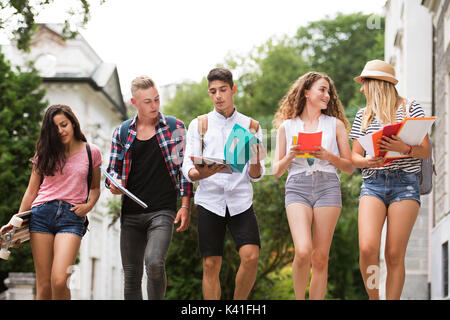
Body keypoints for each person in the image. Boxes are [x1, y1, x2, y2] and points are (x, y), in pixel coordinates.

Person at [349, 60, 431, 300]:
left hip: (404, 184)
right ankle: (374, 298)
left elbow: (425, 150)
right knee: (367, 249)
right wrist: (366, 162)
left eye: (364, 83)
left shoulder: (410, 107)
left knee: (394, 253)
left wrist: (403, 148)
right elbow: (355, 156)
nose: (362, 89)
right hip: (373, 183)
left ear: (377, 84)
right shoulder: (362, 115)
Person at [105, 75, 193, 300]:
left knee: (154, 262)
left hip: (162, 210)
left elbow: (184, 170)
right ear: (135, 103)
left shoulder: (175, 127)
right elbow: (111, 171)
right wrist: (113, 184)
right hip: (131, 214)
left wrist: (185, 205)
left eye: (156, 99)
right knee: (132, 275)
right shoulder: (122, 133)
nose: (154, 106)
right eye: (147, 102)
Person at [181, 67, 266, 300]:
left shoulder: (252, 127)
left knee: (250, 256)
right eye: (213, 91)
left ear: (233, 90)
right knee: (211, 264)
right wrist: (201, 174)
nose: (218, 96)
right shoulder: (199, 125)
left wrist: (257, 160)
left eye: (222, 90)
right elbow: (188, 167)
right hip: (210, 201)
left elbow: (256, 174)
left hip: (240, 200)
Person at [272, 71, 354, 300]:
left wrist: (328, 155)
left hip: (328, 185)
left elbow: (349, 167)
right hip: (297, 186)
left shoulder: (335, 125)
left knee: (320, 257)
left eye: (329, 91)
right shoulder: (286, 127)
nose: (327, 95)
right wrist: (290, 155)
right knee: (303, 250)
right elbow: (276, 171)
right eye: (322, 89)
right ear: (307, 92)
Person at [17, 104, 102, 300]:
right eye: (54, 128)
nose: (61, 131)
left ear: (72, 122)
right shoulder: (45, 153)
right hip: (41, 215)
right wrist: (18, 223)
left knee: (59, 279)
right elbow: (31, 191)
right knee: (44, 285)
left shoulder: (92, 152)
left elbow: (95, 188)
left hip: (71, 218)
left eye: (63, 124)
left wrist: (88, 206)